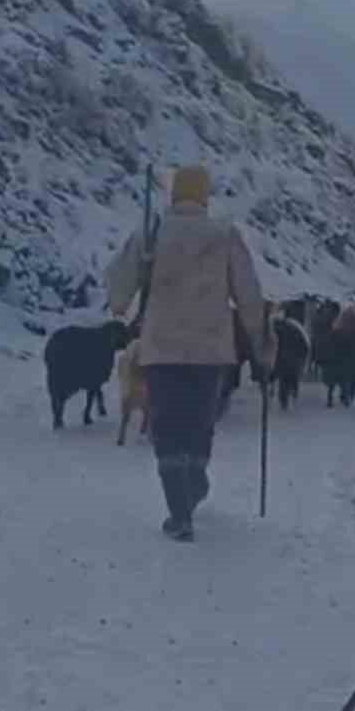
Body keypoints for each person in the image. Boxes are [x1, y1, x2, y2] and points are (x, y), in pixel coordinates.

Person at [106, 165, 272, 542]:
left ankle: (179, 511)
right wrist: (258, 336)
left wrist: (123, 301)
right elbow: (248, 292)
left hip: (161, 349)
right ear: (204, 196)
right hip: (210, 350)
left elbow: (119, 284)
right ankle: (194, 480)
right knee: (199, 422)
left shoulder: (153, 231)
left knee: (166, 424)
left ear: (174, 194)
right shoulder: (224, 235)